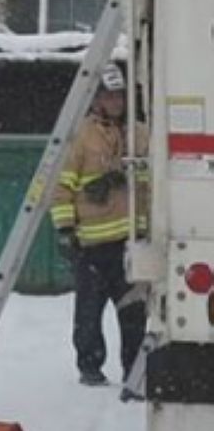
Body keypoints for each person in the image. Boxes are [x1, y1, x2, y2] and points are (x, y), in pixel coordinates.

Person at [50, 62, 148, 390]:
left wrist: (130, 176)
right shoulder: (80, 137)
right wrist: (65, 228)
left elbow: (152, 179)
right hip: (91, 244)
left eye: (120, 96)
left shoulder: (139, 133)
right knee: (89, 313)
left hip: (130, 241)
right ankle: (90, 368)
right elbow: (62, 185)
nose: (116, 102)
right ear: (95, 101)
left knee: (133, 312)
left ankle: (135, 372)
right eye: (110, 96)